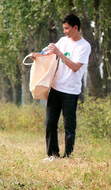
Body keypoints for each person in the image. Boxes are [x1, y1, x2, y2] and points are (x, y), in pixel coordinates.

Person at [32, 14, 91, 159]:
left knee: (69, 126)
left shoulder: (84, 46)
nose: (65, 31)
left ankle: (68, 155)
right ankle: (52, 154)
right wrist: (37, 55)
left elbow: (75, 67)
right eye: (64, 28)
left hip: (70, 91)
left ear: (75, 28)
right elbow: (48, 53)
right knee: (50, 123)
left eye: (67, 28)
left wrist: (60, 54)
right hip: (56, 88)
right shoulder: (63, 41)